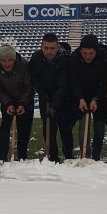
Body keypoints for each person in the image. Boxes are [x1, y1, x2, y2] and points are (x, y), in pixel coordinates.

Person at [30, 33, 73, 162]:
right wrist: (44, 96)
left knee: (65, 130)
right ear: (41, 47)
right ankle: (52, 158)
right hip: (46, 99)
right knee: (48, 130)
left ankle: (68, 157)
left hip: (64, 100)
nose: (49, 51)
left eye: (52, 48)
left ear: (57, 47)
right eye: (46, 48)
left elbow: (63, 85)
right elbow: (35, 79)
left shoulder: (65, 59)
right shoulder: (36, 58)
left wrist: (54, 105)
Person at [0, 44, 34, 162]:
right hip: (6, 99)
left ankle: (22, 155)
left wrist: (23, 104)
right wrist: (7, 103)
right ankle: (1, 156)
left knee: (24, 129)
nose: (7, 63)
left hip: (25, 100)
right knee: (5, 127)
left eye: (10, 60)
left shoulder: (24, 65)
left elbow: (28, 87)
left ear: (14, 59)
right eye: (3, 60)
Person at [69, 34, 107, 160]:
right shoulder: (74, 58)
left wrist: (96, 98)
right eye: (84, 53)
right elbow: (73, 81)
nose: (87, 56)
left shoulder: (104, 58)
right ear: (80, 50)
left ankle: (96, 156)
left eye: (91, 53)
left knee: (99, 127)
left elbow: (105, 81)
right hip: (81, 96)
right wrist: (80, 98)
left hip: (100, 96)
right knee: (83, 126)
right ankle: (85, 155)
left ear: (96, 51)